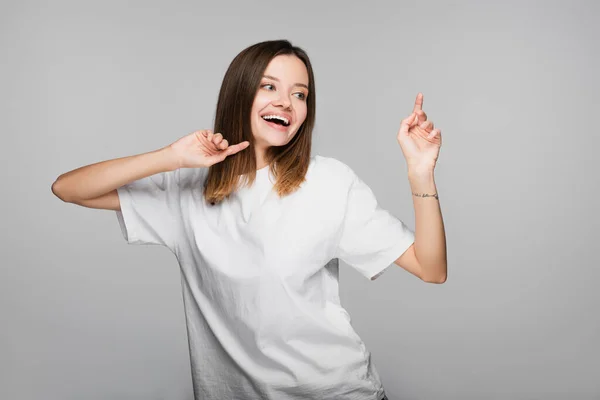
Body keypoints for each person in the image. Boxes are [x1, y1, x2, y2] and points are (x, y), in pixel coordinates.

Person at [51, 39, 447, 400]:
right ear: (240, 93)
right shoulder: (187, 188)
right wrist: (170, 157)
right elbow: (68, 189)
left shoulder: (329, 182)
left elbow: (431, 268)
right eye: (269, 86)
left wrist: (420, 172)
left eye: (300, 94)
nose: (287, 103)